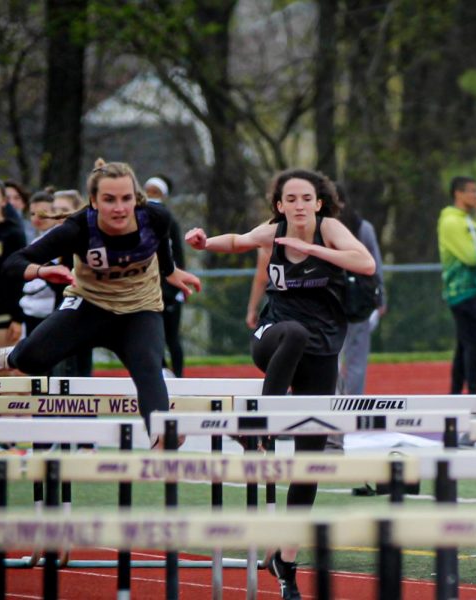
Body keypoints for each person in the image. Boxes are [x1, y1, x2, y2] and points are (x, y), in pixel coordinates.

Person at [185, 168, 374, 599]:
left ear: (319, 202)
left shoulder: (330, 229)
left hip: (322, 354)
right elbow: (238, 241)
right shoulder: (274, 230)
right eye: (292, 199)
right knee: (293, 331)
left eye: (307, 198)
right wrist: (204, 242)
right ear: (280, 205)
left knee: (311, 462)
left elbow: (366, 263)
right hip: (272, 340)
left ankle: (285, 561)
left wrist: (311, 249)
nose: (300, 205)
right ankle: (258, 426)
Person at [0, 160, 201, 444]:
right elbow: (14, 262)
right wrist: (41, 270)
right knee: (32, 360)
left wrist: (170, 271)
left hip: (139, 310)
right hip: (87, 307)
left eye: (126, 198)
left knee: (148, 367)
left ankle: (162, 438)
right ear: (94, 202)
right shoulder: (79, 228)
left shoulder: (156, 218)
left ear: (137, 198)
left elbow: (159, 246)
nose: (119, 208)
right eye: (109, 200)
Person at [437, 176, 476, 395]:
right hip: (461, 290)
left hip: (474, 289)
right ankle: (473, 393)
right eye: (472, 192)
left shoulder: (470, 220)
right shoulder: (451, 221)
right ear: (458, 193)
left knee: (464, 345)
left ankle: (456, 392)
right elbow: (472, 257)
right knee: (474, 345)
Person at [335, 183, 386, 395]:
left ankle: (338, 400)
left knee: (334, 353)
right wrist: (380, 296)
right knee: (353, 356)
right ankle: (350, 403)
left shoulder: (359, 228)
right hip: (355, 300)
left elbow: (375, 265)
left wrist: (380, 297)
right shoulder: (362, 227)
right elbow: (376, 265)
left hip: (348, 300)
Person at [144, 174, 186, 377]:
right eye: (148, 190)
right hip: (147, 290)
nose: (151, 194)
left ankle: (178, 376)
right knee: (152, 336)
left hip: (168, 290)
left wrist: (177, 287)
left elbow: (178, 255)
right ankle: (159, 372)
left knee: (172, 337)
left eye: (155, 191)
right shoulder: (139, 219)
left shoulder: (170, 222)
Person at [49, 189, 93, 377]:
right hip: (53, 308)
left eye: (64, 209)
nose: (58, 214)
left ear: (77, 211)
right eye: (55, 209)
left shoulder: (84, 238)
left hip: (81, 307)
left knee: (78, 360)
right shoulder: (48, 239)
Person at [0, 179, 27, 354]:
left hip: (3, 313)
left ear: (3, 201)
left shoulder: (13, 233)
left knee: (4, 369)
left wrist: (17, 318)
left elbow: (18, 276)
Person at [18, 190, 60, 336]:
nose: (37, 218)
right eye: (32, 214)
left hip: (49, 311)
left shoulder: (59, 239)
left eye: (43, 213)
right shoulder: (37, 240)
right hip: (32, 309)